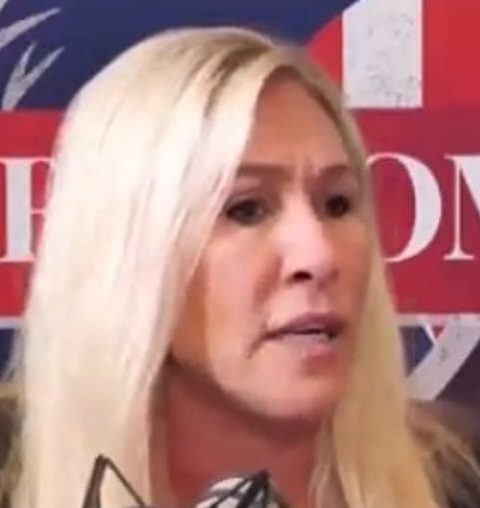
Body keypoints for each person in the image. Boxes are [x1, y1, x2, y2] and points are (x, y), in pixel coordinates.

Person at [6, 26, 480, 508]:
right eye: (247, 209)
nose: (319, 255)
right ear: (128, 252)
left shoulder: (462, 483)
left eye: (337, 204)